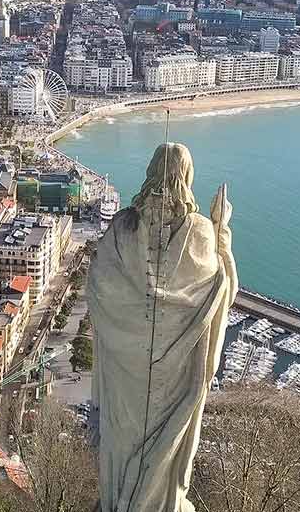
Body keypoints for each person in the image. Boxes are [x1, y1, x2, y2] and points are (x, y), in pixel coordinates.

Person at [87, 142, 237, 512]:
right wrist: (223, 235)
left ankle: (117, 502)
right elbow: (220, 291)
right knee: (165, 447)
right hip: (176, 374)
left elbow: (98, 287)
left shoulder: (122, 226)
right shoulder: (200, 231)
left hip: (125, 369)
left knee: (122, 442)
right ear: (186, 176)